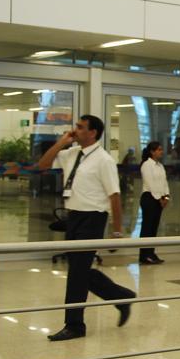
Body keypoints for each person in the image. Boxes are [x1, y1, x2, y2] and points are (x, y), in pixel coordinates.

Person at [37, 115, 135, 341]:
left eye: (80, 128)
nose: (75, 130)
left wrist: (117, 231)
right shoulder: (71, 154)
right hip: (74, 216)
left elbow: (115, 196)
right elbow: (43, 164)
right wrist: (62, 142)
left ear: (93, 133)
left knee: (76, 275)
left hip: (93, 218)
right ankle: (121, 296)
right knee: (79, 269)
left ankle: (75, 325)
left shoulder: (104, 160)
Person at [138, 141, 169, 264]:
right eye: (159, 149)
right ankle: (144, 255)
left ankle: (151, 253)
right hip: (149, 198)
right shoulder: (146, 165)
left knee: (154, 228)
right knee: (147, 228)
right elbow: (150, 184)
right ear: (152, 151)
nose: (161, 152)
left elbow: (164, 183)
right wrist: (160, 199)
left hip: (159, 199)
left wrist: (166, 197)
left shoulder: (160, 166)